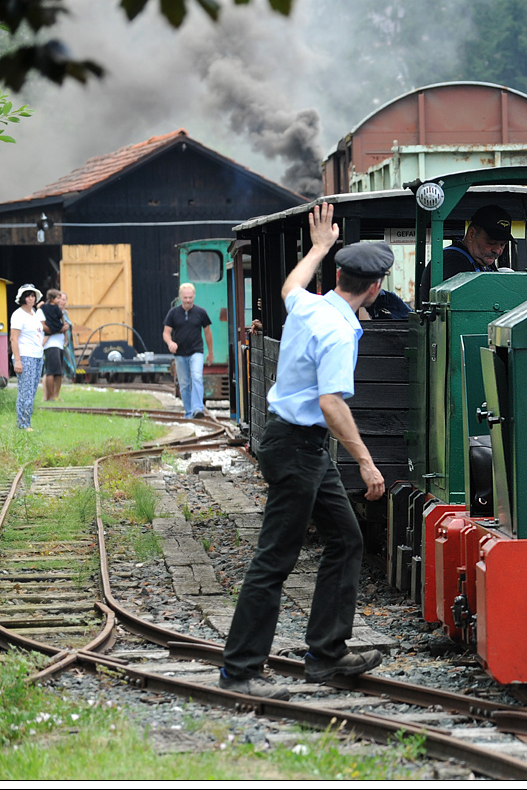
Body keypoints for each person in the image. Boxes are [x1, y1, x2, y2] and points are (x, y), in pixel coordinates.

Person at [219, 203, 388, 700]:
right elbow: (330, 403)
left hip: (297, 445)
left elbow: (289, 287)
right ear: (374, 288)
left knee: (346, 538)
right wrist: (365, 459)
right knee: (274, 560)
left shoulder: (312, 305)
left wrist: (316, 248)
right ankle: (240, 671)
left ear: (339, 276)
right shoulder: (337, 331)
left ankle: (327, 654)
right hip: (299, 448)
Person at [418, 204, 512, 303]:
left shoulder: (484, 261)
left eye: (502, 245)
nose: (497, 250)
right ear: (471, 234)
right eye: (491, 243)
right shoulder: (453, 261)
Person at [162, 283, 213, 419]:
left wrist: (210, 352)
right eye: (185, 297)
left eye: (190, 297)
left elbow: (208, 333)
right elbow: (166, 333)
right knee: (184, 384)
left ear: (194, 296)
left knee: (197, 377)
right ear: (180, 297)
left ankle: (198, 408)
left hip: (196, 351)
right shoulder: (173, 313)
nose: (188, 300)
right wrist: (170, 342)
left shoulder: (201, 312)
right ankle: (189, 412)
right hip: (180, 354)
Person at [9, 284, 46, 430]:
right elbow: (14, 339)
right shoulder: (18, 315)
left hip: (37, 355)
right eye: (28, 295)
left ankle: (26, 422)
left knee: (33, 391)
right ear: (22, 298)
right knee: (26, 391)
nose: (31, 298)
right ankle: (23, 424)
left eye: (33, 295)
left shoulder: (35, 314)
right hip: (25, 355)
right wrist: (18, 360)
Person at [39, 289, 70, 402]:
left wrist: (65, 338)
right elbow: (43, 326)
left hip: (59, 344)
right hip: (51, 344)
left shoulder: (62, 312)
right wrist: (58, 330)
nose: (61, 301)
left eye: (63, 299)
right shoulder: (44, 309)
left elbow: (65, 325)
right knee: (51, 371)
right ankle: (49, 396)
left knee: (58, 371)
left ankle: (54, 395)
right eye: (59, 298)